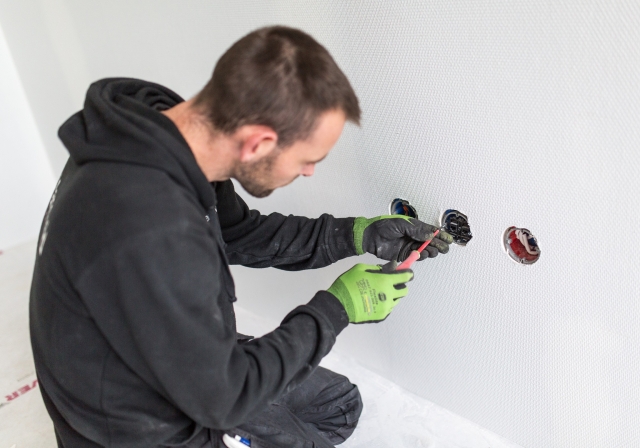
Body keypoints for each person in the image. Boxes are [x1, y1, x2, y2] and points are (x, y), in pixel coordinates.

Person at [30, 26, 452, 448]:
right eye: (308, 160)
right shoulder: (152, 228)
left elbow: (241, 233)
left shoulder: (164, 135)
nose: (309, 172)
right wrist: (336, 308)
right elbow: (225, 399)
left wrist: (358, 234)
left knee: (335, 406)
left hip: (157, 353)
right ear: (258, 143)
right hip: (139, 428)